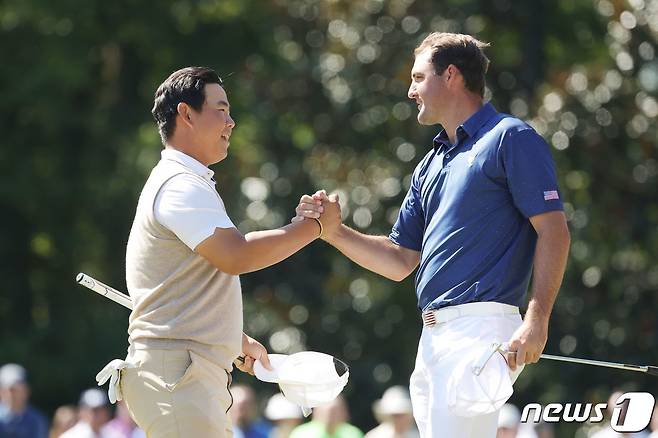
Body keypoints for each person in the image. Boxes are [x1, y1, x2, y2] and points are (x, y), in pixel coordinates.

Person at [295, 32, 570, 438]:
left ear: (452, 75)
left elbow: (555, 232)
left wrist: (537, 318)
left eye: (419, 77)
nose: (410, 90)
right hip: (434, 336)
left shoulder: (510, 138)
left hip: (480, 328)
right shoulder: (430, 163)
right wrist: (332, 232)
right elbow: (400, 259)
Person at [109, 66, 341, 438]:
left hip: (182, 376)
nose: (231, 122)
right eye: (221, 109)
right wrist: (313, 228)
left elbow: (190, 284)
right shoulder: (180, 185)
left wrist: (230, 336)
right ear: (186, 114)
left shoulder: (187, 182)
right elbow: (235, 255)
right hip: (177, 378)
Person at [0, 363, 48, 438]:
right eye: (11, 390)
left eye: (18, 389)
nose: (13, 394)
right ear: (1, 391)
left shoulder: (36, 420)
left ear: (26, 390)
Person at [289, 396, 363, 438]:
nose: (330, 416)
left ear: (344, 413)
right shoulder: (302, 434)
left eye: (334, 412)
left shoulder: (353, 433)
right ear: (316, 412)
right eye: (325, 412)